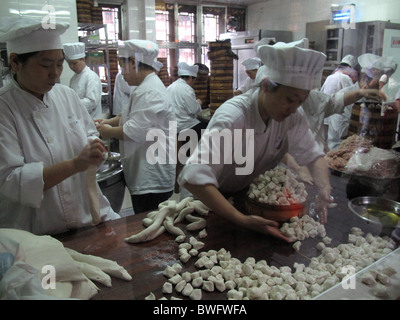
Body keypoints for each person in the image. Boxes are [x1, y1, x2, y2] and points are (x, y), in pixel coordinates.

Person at [178, 40, 332, 242]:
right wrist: (240, 219)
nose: (294, 108)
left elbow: (313, 155)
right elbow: (194, 178)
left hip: (242, 198)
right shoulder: (234, 117)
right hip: (207, 201)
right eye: (289, 99)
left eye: (300, 101)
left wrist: (324, 190)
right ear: (267, 86)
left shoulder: (292, 115)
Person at [0, 16, 119, 235]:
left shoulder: (67, 95)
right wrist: (75, 164)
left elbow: (90, 134)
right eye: (45, 65)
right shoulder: (4, 108)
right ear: (15, 62)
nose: (55, 73)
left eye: (59, 64)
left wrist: (95, 147)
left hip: (85, 219)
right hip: (36, 232)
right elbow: (10, 181)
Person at [95, 39, 176, 214]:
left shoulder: (150, 91)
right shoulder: (141, 88)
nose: (121, 73)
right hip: (142, 170)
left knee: (151, 223)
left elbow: (134, 131)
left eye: (121, 66)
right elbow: (127, 116)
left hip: (151, 177)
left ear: (133, 62)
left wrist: (107, 132)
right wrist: (108, 123)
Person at [326, 53, 386, 150]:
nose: (379, 87)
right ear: (364, 78)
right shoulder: (346, 96)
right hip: (341, 149)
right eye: (377, 82)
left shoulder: (374, 98)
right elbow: (342, 132)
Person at [63, 42, 103, 119]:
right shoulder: (74, 78)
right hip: (79, 119)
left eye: (74, 63)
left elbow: (92, 102)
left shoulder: (91, 77)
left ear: (83, 59)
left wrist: (71, 104)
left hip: (91, 120)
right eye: (69, 63)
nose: (71, 66)